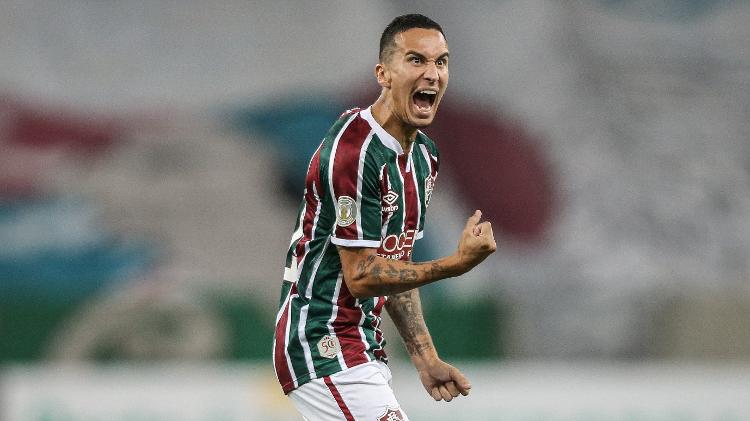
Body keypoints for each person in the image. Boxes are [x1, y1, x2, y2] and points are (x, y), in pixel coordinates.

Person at [272, 13, 497, 420]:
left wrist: (425, 356)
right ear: (384, 73)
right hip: (321, 340)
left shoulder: (424, 157)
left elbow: (396, 266)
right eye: (416, 60)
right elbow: (361, 276)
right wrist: (453, 265)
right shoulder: (355, 150)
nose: (432, 74)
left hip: (362, 344)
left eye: (441, 62)